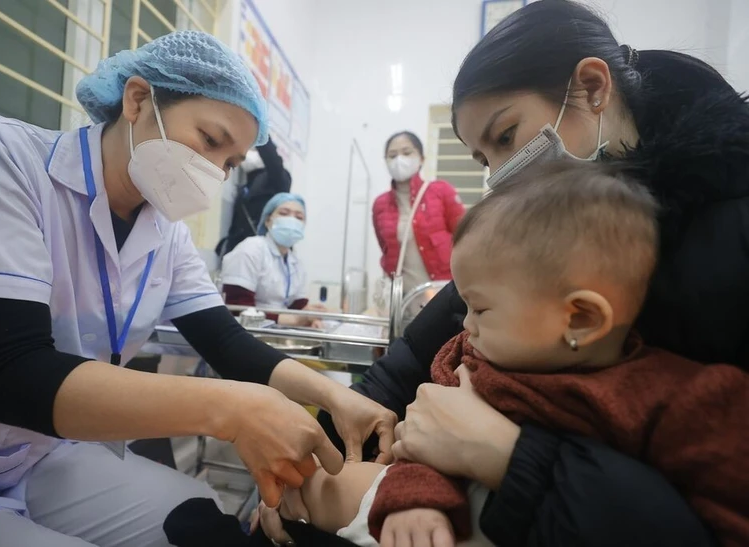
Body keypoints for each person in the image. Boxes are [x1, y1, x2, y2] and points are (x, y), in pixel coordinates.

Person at [0, 31, 396, 546]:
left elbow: (224, 341)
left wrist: (334, 396)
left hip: (44, 456)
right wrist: (234, 411)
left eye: (231, 162)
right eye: (211, 140)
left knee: (206, 527)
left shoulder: (165, 234)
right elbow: (4, 371)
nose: (215, 171)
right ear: (137, 100)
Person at [313, 1, 749, 545]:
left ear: (592, 87)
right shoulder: (523, 256)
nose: (499, 176)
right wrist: (324, 440)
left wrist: (504, 453)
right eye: (482, 159)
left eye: (506, 136)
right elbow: (418, 356)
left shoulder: (722, 258)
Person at [259, 161, 747, 547]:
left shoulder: (683, 399)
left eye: (480, 308)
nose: (465, 324)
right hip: (439, 521)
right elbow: (423, 448)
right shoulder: (470, 362)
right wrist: (417, 501)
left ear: (580, 318)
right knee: (321, 488)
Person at [372, 131, 464, 296]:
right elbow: (385, 248)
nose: (399, 160)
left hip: (442, 294)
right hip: (402, 299)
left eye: (407, 153)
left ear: (421, 159)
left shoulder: (441, 191)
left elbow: (465, 240)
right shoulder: (380, 205)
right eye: (392, 156)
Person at [221, 192, 323, 328]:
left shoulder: (295, 262)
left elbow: (298, 306)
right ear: (268, 220)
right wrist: (292, 320)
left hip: (278, 333)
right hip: (246, 333)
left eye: (299, 217)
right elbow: (237, 307)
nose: (292, 220)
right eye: (284, 213)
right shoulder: (251, 249)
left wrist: (311, 319)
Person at [216, 136, 292, 256]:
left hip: (263, 252)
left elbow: (272, 158)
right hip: (238, 252)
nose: (248, 154)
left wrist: (261, 133)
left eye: (253, 151)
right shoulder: (247, 185)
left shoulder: (278, 178)